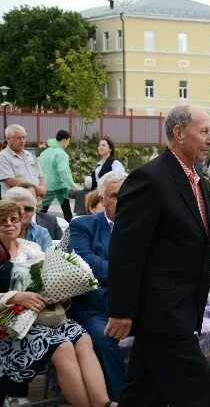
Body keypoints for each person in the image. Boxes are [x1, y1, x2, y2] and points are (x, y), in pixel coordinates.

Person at [104, 105, 210, 406]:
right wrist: (121, 309)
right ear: (178, 133)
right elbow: (125, 250)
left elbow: (200, 242)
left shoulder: (199, 181)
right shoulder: (149, 179)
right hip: (162, 310)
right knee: (198, 392)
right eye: (203, 132)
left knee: (143, 392)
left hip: (184, 307)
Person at [0, 201, 117, 407]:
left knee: (83, 338)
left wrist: (61, 295)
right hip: (9, 325)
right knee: (61, 346)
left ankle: (104, 403)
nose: (9, 224)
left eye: (14, 219)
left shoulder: (32, 248)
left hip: (42, 316)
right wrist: (15, 297)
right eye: (2, 220)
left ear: (22, 222)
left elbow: (48, 282)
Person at [67, 171, 129, 401]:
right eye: (114, 196)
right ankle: (121, 400)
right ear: (102, 200)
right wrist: (127, 274)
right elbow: (85, 262)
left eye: (126, 195)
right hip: (94, 306)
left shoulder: (144, 227)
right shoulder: (84, 225)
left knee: (164, 333)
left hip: (135, 304)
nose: (121, 201)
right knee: (104, 340)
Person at [38, 130, 77, 221]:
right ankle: (70, 230)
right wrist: (72, 184)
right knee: (66, 211)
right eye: (68, 141)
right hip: (59, 186)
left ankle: (35, 226)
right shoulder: (61, 153)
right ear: (64, 140)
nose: (68, 143)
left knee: (42, 210)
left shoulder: (46, 152)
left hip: (46, 185)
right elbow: (62, 171)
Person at [0, 124, 46, 198]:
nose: (22, 141)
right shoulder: (3, 157)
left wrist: (41, 192)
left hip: (35, 201)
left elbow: (41, 175)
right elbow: (11, 181)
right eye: (18, 138)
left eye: (24, 137)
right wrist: (37, 190)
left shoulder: (29, 155)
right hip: (16, 204)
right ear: (8, 138)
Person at [3, 187, 52, 251]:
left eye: (28, 209)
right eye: (17, 208)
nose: (23, 212)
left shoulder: (41, 232)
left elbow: (49, 259)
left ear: (34, 211)